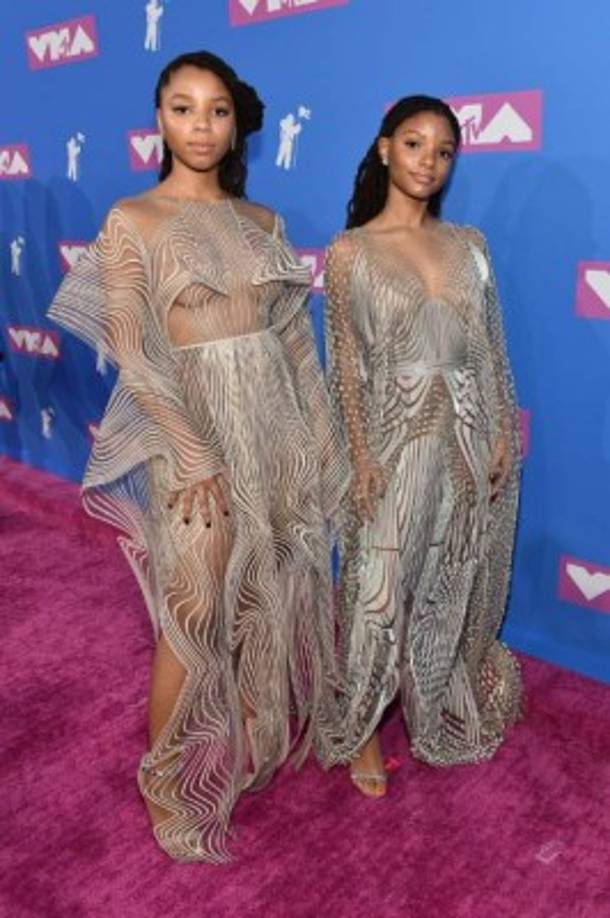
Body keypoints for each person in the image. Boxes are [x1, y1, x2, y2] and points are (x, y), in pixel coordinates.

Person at [49, 50, 344, 862]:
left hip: (274, 430)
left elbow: (295, 348)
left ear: (236, 124)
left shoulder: (264, 223)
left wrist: (320, 447)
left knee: (261, 597)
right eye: (183, 108)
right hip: (193, 438)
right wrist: (191, 451)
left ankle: (246, 740)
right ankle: (164, 775)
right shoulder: (132, 220)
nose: (201, 126)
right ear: (160, 120)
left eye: (217, 110)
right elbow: (134, 353)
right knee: (194, 609)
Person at [324, 96, 522, 798]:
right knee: (377, 587)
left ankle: (430, 699)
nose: (428, 162)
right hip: (393, 437)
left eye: (443, 151)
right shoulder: (350, 252)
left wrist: (499, 429)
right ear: (384, 149)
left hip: (466, 433)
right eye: (414, 144)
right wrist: (360, 454)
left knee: (449, 575)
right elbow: (347, 366)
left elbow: (489, 346)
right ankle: (362, 725)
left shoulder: (469, 245)